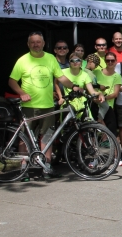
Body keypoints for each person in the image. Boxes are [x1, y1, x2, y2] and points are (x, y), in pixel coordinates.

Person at [8, 31, 78, 179]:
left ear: (43, 43)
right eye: (32, 42)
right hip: (29, 106)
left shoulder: (51, 58)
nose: (36, 44)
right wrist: (21, 93)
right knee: (25, 138)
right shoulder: (23, 60)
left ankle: (46, 167)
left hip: (48, 105)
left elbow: (61, 77)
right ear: (28, 44)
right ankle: (23, 168)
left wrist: (74, 86)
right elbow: (12, 81)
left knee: (48, 137)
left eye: (38, 42)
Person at [58, 53, 104, 117]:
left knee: (88, 124)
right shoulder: (63, 72)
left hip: (82, 104)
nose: (75, 62)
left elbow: (92, 91)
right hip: (68, 103)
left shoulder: (85, 75)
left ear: (81, 62)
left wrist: (100, 93)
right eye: (72, 60)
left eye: (78, 60)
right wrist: (60, 97)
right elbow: (56, 82)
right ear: (69, 62)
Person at [94, 52, 121, 137]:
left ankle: (114, 149)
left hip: (108, 106)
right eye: (108, 60)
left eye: (112, 60)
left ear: (116, 61)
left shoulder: (117, 76)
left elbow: (115, 94)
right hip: (95, 105)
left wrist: (103, 98)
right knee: (94, 132)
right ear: (105, 61)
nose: (110, 62)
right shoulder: (96, 72)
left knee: (112, 133)